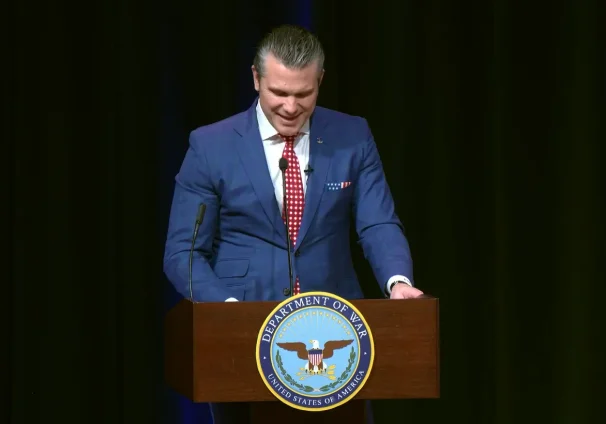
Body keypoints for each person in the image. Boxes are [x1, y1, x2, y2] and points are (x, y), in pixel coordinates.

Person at [163, 24, 423, 424]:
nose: (290, 107)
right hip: (243, 335)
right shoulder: (211, 145)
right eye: (279, 93)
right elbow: (183, 252)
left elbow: (378, 223)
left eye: (303, 94)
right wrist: (226, 310)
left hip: (336, 332)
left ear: (320, 81)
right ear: (256, 78)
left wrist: (398, 281)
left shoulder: (352, 136)